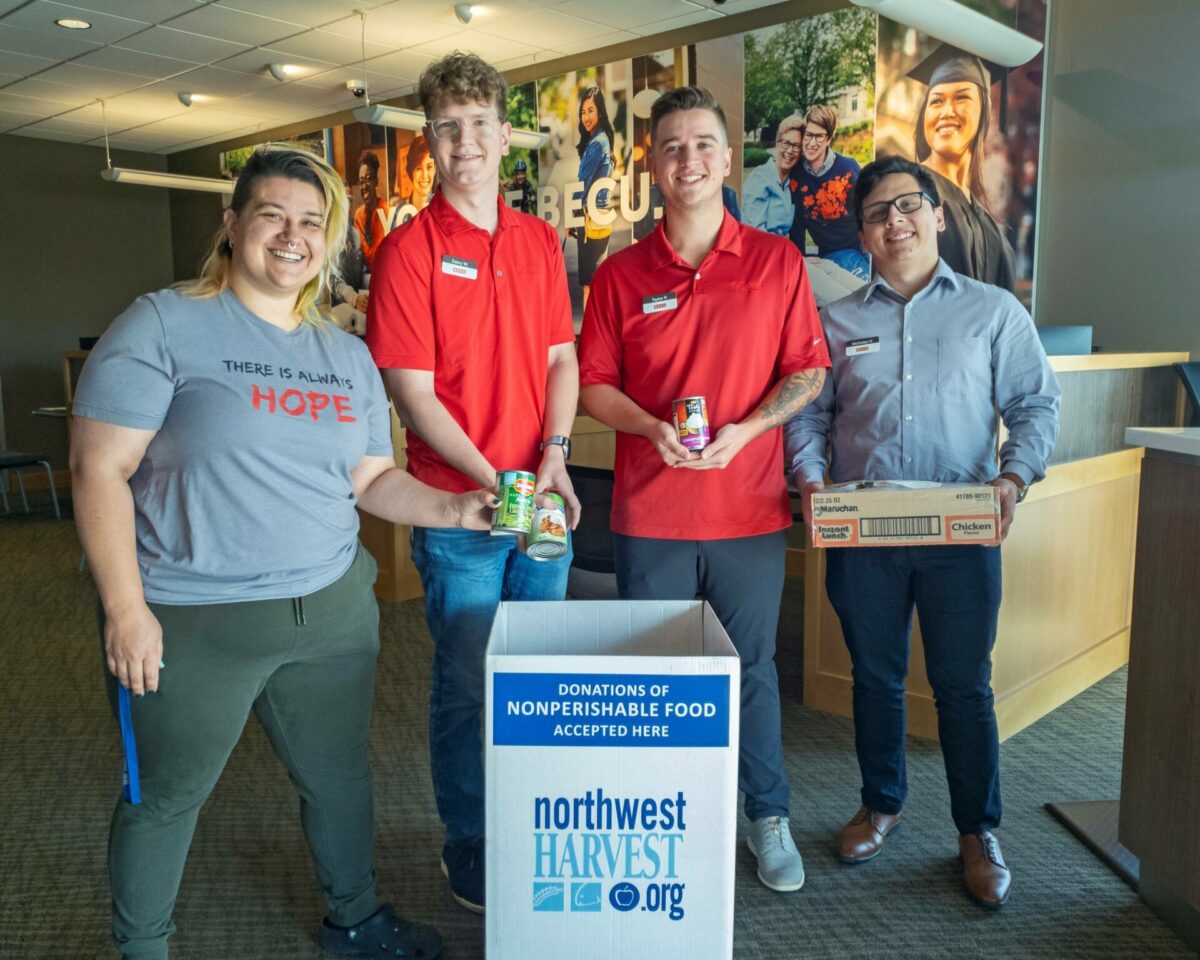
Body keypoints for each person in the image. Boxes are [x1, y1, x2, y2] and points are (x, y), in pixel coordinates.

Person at [71, 146, 502, 960]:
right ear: (233, 225)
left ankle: (356, 918)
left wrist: (453, 506)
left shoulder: (345, 355)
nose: (292, 236)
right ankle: (143, 950)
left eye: (312, 222)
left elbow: (371, 476)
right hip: (195, 622)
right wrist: (126, 611)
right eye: (272, 215)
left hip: (333, 613)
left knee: (338, 777)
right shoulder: (165, 323)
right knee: (166, 798)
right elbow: (100, 469)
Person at [785, 155, 1060, 909]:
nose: (894, 221)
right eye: (877, 213)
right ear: (864, 235)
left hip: (960, 534)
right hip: (864, 534)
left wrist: (1013, 478)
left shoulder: (993, 311)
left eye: (908, 206)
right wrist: (809, 478)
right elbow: (809, 415)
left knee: (963, 687)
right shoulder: (836, 322)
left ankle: (977, 831)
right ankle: (881, 804)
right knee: (874, 679)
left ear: (937, 215)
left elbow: (1036, 406)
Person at [578, 86, 830, 895]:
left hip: (748, 512)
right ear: (653, 164)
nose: (688, 159)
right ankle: (666, 809)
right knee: (656, 672)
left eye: (703, 144)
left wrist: (749, 431)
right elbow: (593, 387)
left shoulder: (776, 262)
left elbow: (809, 371)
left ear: (728, 159)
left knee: (750, 667)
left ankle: (767, 815)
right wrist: (651, 428)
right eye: (673, 146)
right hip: (649, 512)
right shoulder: (620, 274)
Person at [365, 52, 580, 914]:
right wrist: (499, 478)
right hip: (458, 510)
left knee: (535, 672)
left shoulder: (536, 242)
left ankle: (531, 818)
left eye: (480, 125)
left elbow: (561, 358)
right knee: (467, 683)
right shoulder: (408, 253)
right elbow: (412, 395)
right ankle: (471, 841)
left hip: (543, 499)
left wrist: (554, 455)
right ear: (430, 139)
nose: (466, 143)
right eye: (448, 128)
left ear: (503, 134)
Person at [909, 45, 1015, 290]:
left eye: (961, 98)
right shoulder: (909, 194)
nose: (947, 112)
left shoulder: (987, 223)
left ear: (984, 113)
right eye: (936, 101)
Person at [789, 104, 869, 278]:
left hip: (865, 245)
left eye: (819, 136)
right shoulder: (796, 176)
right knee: (866, 287)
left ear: (828, 139)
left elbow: (867, 207)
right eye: (808, 135)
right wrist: (800, 256)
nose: (811, 143)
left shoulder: (849, 169)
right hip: (837, 252)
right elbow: (796, 223)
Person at [573, 84, 616, 306]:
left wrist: (573, 218)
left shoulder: (597, 144)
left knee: (590, 285)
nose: (586, 117)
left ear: (600, 111)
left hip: (591, 219)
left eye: (591, 110)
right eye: (583, 112)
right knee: (595, 282)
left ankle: (590, 337)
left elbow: (582, 184)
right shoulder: (599, 140)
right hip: (597, 219)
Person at [742, 114, 804, 235]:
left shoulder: (789, 184)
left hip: (779, 248)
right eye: (786, 143)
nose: (790, 151)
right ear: (777, 143)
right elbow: (755, 233)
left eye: (796, 146)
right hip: (761, 250)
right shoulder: (760, 178)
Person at [389, 135, 436, 231]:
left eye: (429, 167)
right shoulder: (399, 213)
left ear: (435, 169)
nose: (424, 175)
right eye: (418, 168)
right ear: (410, 171)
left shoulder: (443, 208)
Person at [353, 149, 387, 269]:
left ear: (376, 181)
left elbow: (373, 258)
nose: (364, 186)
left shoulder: (384, 210)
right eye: (361, 181)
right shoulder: (359, 214)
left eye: (368, 179)